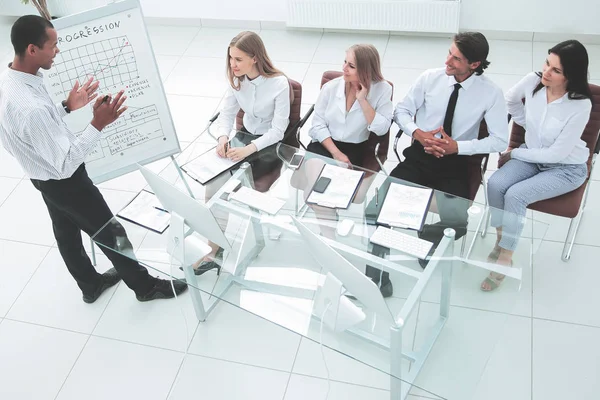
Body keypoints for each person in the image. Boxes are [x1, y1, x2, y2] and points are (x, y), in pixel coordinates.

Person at [0, 15, 187, 303]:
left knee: (66, 233)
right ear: (32, 49)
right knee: (113, 232)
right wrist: (98, 124)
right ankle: (145, 287)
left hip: (42, 177)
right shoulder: (30, 107)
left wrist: (65, 107)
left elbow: (29, 137)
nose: (57, 51)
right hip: (65, 181)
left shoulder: (12, 82)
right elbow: (65, 163)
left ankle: (90, 285)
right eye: (53, 46)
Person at [364, 32, 509, 297]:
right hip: (419, 156)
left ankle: (426, 239)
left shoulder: (491, 93)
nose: (448, 61)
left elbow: (500, 140)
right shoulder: (430, 78)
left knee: (458, 223)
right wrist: (418, 133)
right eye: (449, 53)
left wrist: (459, 147)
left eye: (456, 58)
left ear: (474, 64)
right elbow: (402, 111)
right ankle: (376, 278)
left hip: (455, 163)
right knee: (376, 210)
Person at [482, 40, 592, 291]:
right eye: (547, 63)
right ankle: (502, 239)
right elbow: (510, 101)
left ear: (570, 76)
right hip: (532, 156)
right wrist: (526, 125)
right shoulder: (533, 82)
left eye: (556, 70)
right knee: (496, 183)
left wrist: (517, 153)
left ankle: (506, 257)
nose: (546, 72)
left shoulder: (580, 104)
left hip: (565, 168)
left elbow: (556, 154)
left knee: (516, 195)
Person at [193, 31, 291, 274]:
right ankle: (213, 249)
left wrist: (248, 150)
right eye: (230, 58)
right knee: (213, 184)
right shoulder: (237, 80)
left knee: (239, 185)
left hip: (269, 145)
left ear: (255, 58)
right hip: (244, 136)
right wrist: (223, 137)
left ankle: (247, 233)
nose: (232, 65)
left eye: (238, 59)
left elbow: (279, 131)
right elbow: (226, 114)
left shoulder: (279, 83)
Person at [307, 44, 393, 168]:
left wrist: (362, 100)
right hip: (325, 143)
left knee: (339, 182)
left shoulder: (383, 89)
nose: (344, 68)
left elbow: (381, 129)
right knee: (314, 172)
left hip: (355, 148)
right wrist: (336, 153)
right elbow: (317, 124)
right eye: (345, 62)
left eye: (351, 66)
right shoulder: (330, 87)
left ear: (366, 70)